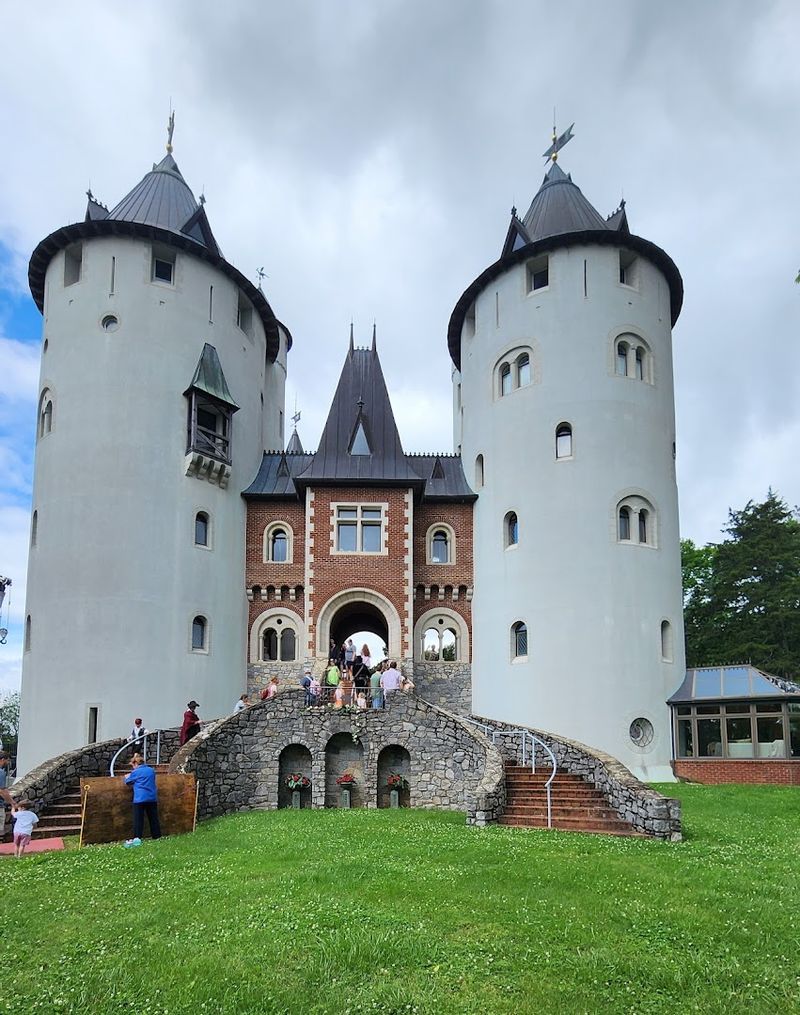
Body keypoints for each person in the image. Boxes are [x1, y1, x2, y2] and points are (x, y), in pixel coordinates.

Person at [123, 753, 161, 842]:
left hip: (140, 799)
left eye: (133, 765)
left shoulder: (136, 772)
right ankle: (157, 836)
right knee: (153, 818)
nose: (133, 767)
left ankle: (137, 837)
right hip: (152, 797)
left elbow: (127, 781)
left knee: (138, 820)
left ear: (136, 763)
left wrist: (126, 777)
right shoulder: (151, 770)